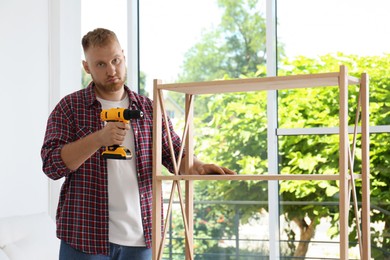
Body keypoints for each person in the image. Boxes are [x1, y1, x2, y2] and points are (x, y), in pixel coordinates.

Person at [41, 28, 235, 260]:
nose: (111, 70)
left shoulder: (150, 109)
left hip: (142, 238)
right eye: (101, 64)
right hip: (84, 237)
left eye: (116, 60)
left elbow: (176, 156)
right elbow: (52, 165)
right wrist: (99, 138)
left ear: (123, 55)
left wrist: (199, 167)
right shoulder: (69, 108)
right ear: (87, 67)